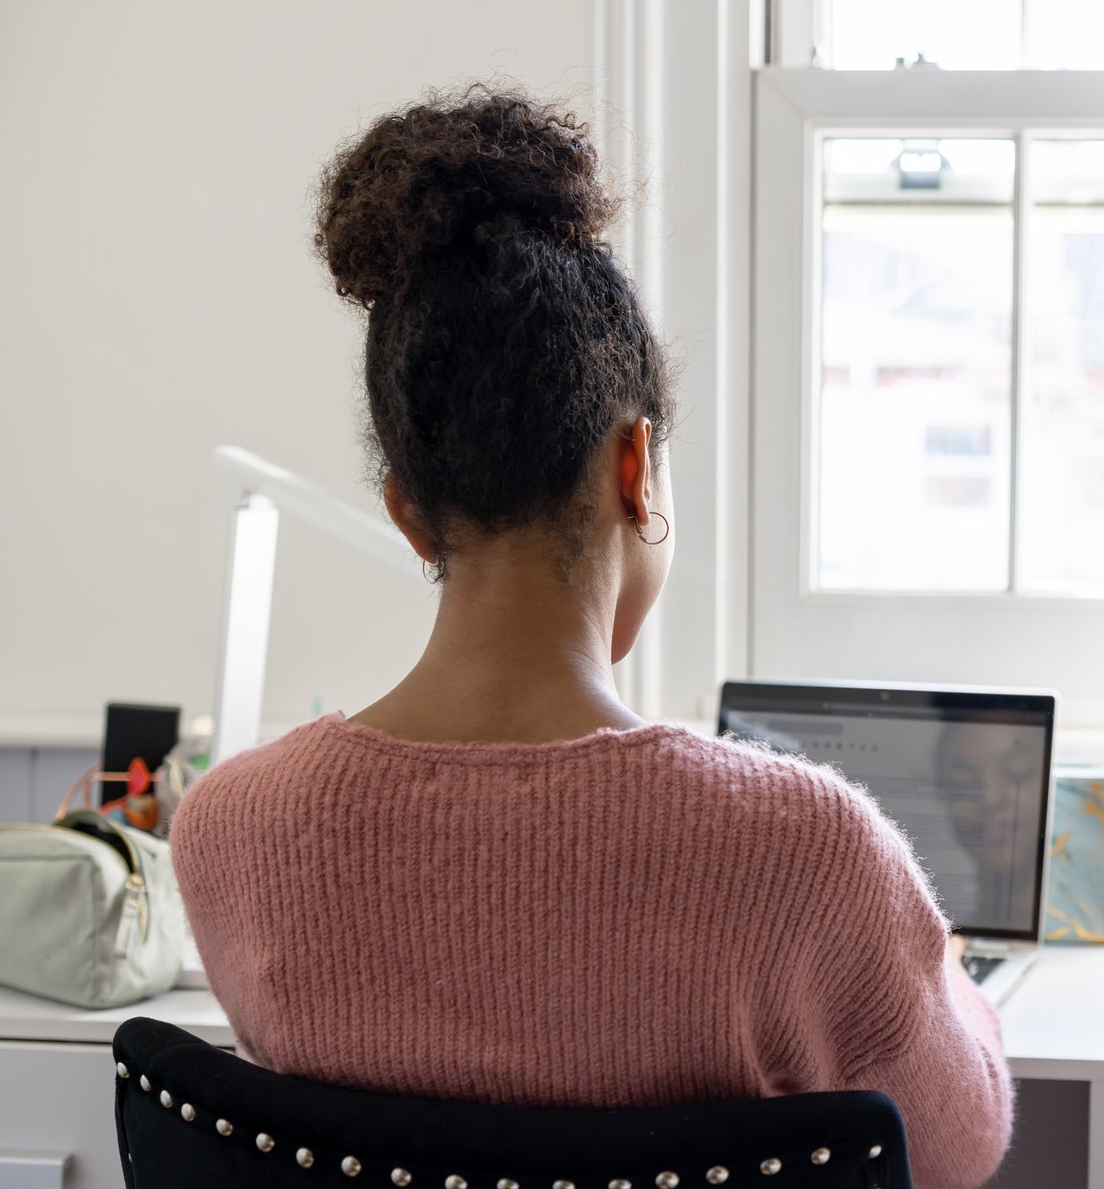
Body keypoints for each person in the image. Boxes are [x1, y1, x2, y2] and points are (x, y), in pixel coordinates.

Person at [172, 87, 1014, 1189]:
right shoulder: (806, 850)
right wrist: (924, 962)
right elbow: (959, 1149)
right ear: (634, 469)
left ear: (407, 510)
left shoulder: (230, 833)